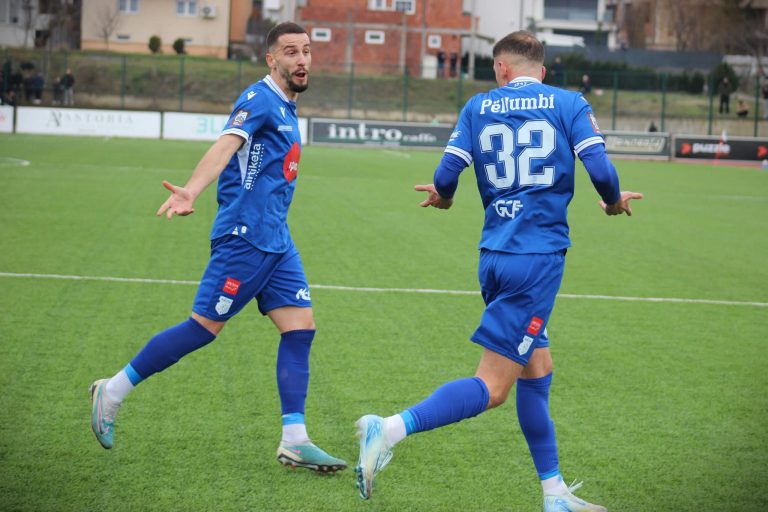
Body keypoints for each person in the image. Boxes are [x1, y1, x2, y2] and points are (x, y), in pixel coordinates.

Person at [354, 31, 642, 511]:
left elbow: (445, 177)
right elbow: (600, 169)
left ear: (502, 68)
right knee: (493, 387)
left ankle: (554, 494)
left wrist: (444, 197)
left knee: (538, 369)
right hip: (537, 260)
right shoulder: (568, 103)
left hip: (494, 256)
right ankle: (387, 429)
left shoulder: (478, 106)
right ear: (541, 70)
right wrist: (613, 201)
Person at [89, 22, 347, 474]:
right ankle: (111, 391)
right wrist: (191, 190)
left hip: (276, 240)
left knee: (300, 328)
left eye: (306, 50)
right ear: (272, 60)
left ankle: (295, 439)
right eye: (291, 52)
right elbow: (226, 145)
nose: (302, 59)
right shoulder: (259, 99)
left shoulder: (286, 106)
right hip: (244, 238)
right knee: (203, 328)